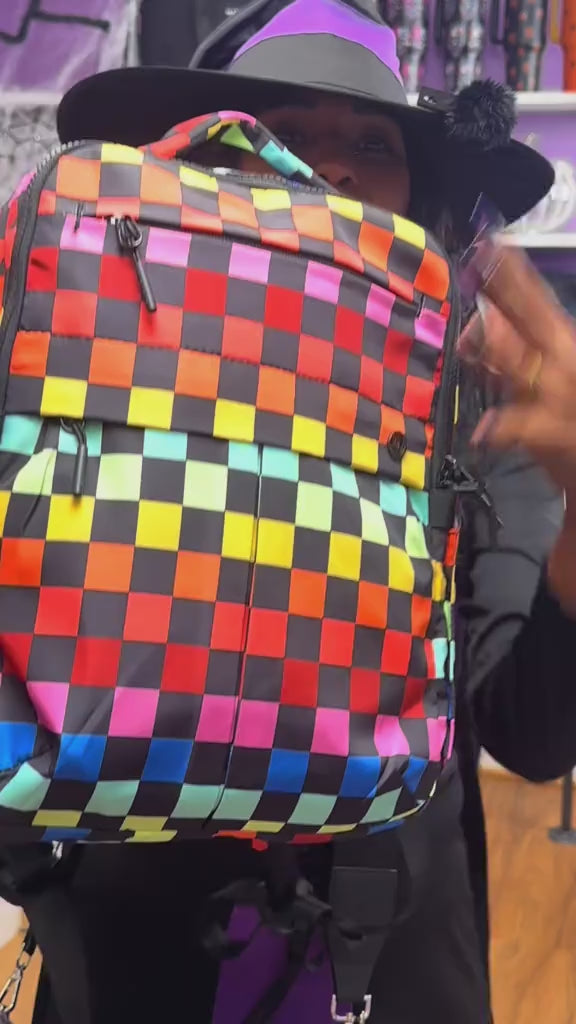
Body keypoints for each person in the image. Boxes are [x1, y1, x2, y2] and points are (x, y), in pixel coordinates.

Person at [27, 1, 576, 1022]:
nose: (328, 171)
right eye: (280, 131)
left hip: (399, 965)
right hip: (131, 958)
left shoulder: (475, 416)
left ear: (421, 197)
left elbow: (533, 736)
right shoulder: (89, 383)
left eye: (372, 145)